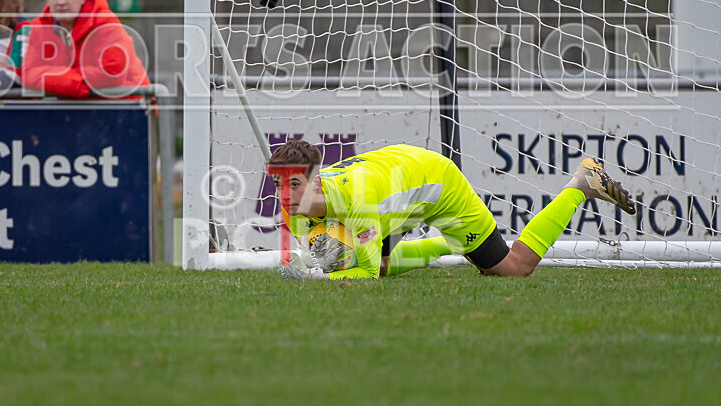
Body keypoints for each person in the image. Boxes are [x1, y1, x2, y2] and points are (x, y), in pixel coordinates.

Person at [267, 141, 636, 280]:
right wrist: (314, 264)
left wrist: (317, 276)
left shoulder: (358, 201)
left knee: (513, 269)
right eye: (279, 185)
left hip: (435, 183)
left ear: (315, 181)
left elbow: (363, 277)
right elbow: (318, 255)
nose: (284, 194)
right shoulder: (291, 203)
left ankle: (582, 185)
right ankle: (446, 245)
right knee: (356, 257)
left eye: (294, 184)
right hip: (397, 189)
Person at [21, 0, 149, 98]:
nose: (61, 1)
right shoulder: (39, 28)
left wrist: (59, 80)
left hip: (129, 105)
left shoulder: (104, 22)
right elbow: (29, 74)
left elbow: (112, 74)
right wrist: (80, 84)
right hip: (80, 106)